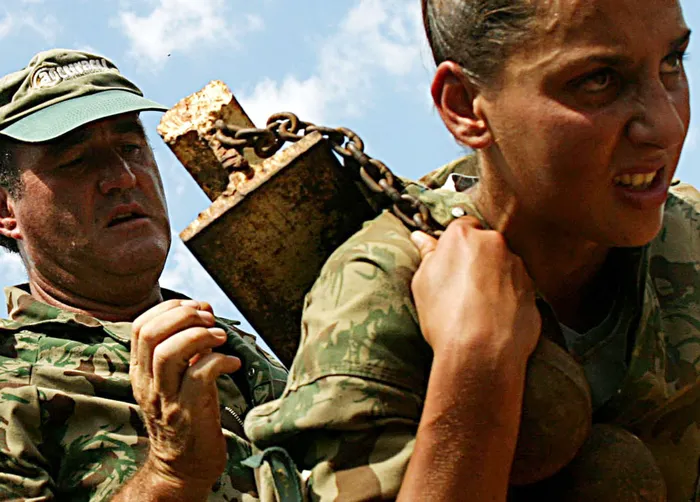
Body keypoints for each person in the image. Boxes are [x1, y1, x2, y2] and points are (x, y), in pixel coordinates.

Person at [244, 0, 700, 500]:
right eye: (598, 81)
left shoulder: (690, 238)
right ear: (464, 106)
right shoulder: (374, 298)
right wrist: (475, 368)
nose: (665, 125)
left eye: (671, 62)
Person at [0, 49, 287, 501]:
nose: (122, 177)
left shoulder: (238, 344)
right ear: (5, 209)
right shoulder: (11, 381)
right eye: (76, 160)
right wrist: (171, 474)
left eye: (132, 148)